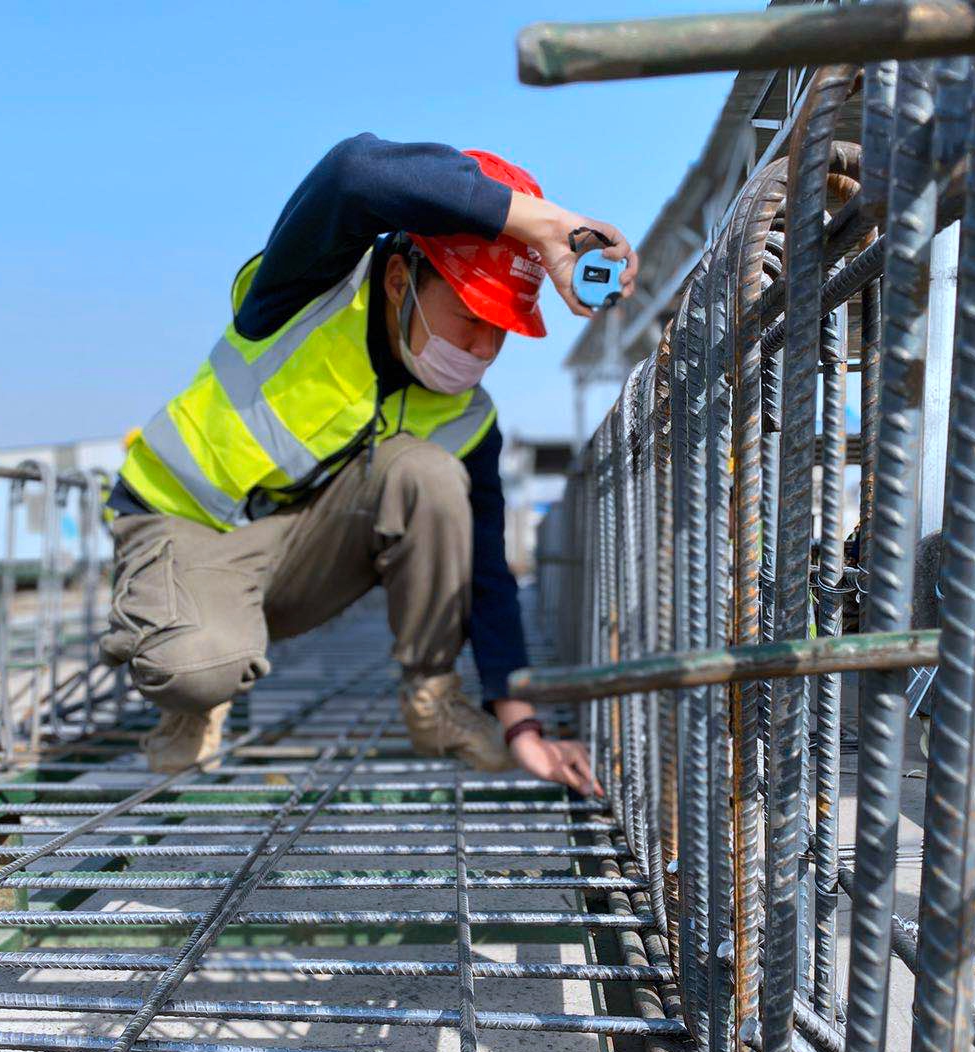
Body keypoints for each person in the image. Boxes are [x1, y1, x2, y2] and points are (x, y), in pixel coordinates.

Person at [101, 134, 636, 791]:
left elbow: (488, 575)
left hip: (297, 560)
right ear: (397, 279)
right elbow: (355, 172)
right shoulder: (309, 288)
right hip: (180, 526)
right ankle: (194, 689)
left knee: (432, 475)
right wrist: (549, 224)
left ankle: (433, 702)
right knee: (197, 666)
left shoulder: (468, 419)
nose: (483, 346)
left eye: (501, 328)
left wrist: (521, 724)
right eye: (471, 315)